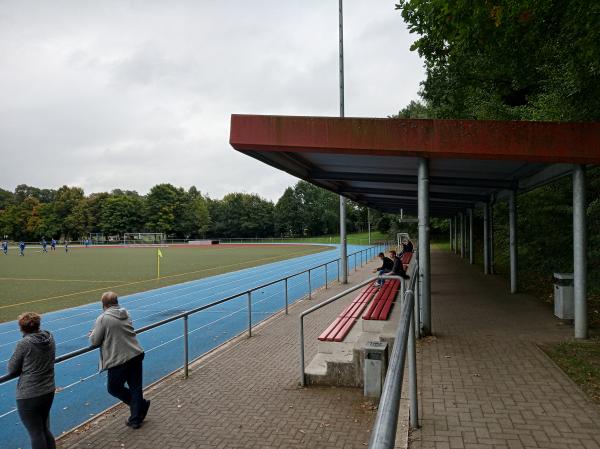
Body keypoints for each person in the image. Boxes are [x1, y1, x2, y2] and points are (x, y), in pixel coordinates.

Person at [89, 292, 150, 429]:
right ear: (116, 302)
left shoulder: (103, 318)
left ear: (103, 305)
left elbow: (94, 340)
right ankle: (136, 417)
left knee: (113, 388)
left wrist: (92, 333)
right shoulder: (126, 313)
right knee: (135, 388)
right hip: (135, 353)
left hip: (119, 358)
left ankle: (140, 406)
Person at [7, 312, 56, 449]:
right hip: (48, 390)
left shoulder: (24, 344)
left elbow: (11, 368)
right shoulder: (49, 337)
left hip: (29, 394)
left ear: (22, 328)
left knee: (36, 433)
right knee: (44, 429)